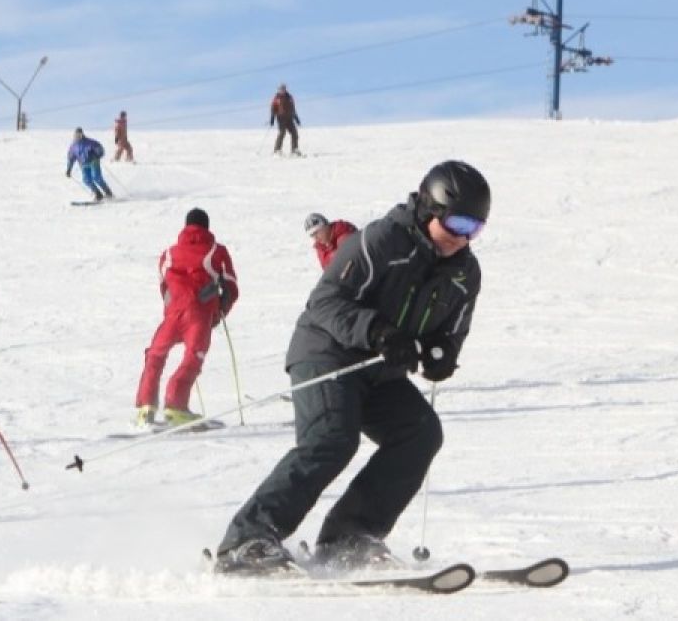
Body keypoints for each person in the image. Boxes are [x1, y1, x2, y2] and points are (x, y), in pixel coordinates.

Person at [213, 161, 490, 575]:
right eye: (457, 224)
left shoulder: (465, 273)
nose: (463, 238)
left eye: (475, 229)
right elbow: (326, 302)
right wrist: (377, 330)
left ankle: (349, 536)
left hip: (378, 370)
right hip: (326, 351)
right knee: (332, 438)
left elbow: (452, 333)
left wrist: (441, 355)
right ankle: (246, 539)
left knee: (420, 432)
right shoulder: (382, 241)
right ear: (431, 210)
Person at [134, 208, 239, 427]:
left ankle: (146, 407)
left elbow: (164, 287)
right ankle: (175, 405)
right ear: (207, 227)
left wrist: (171, 309)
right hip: (199, 314)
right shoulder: (216, 250)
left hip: (173, 314)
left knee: (155, 354)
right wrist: (219, 312)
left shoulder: (169, 253)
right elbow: (231, 286)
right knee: (193, 357)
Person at [65, 127, 113, 202]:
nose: (78, 136)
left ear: (82, 134)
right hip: (83, 164)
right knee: (86, 180)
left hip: (93, 162)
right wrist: (69, 169)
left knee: (96, 177)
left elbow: (100, 149)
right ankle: (98, 194)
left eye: (79, 134)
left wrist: (97, 155)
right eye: (76, 135)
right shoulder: (73, 146)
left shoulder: (90, 142)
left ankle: (108, 192)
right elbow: (71, 158)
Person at [269, 84, 301, 156]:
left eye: (283, 89)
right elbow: (273, 108)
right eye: (280, 89)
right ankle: (277, 150)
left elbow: (293, 109)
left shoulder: (289, 97)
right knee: (282, 132)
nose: (282, 90)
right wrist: (272, 118)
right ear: (279, 90)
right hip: (281, 118)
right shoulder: (277, 98)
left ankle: (294, 150)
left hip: (289, 118)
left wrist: (296, 118)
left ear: (285, 89)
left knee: (294, 133)